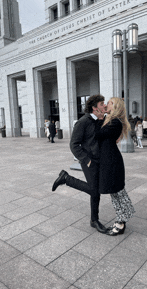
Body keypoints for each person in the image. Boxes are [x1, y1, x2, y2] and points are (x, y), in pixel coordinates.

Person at [52, 95, 107, 234]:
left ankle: (66, 178)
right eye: (102, 104)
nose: (104, 106)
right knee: (95, 191)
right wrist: (86, 160)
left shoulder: (101, 120)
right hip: (89, 161)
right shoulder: (83, 122)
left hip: (100, 160)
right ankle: (94, 220)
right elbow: (74, 144)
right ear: (95, 108)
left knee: (96, 190)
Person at [94, 97, 135, 236]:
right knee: (115, 192)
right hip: (109, 160)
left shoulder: (115, 122)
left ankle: (121, 222)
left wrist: (99, 117)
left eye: (109, 103)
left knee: (118, 192)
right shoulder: (110, 120)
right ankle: (121, 219)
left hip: (112, 162)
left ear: (115, 106)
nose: (106, 105)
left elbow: (98, 134)